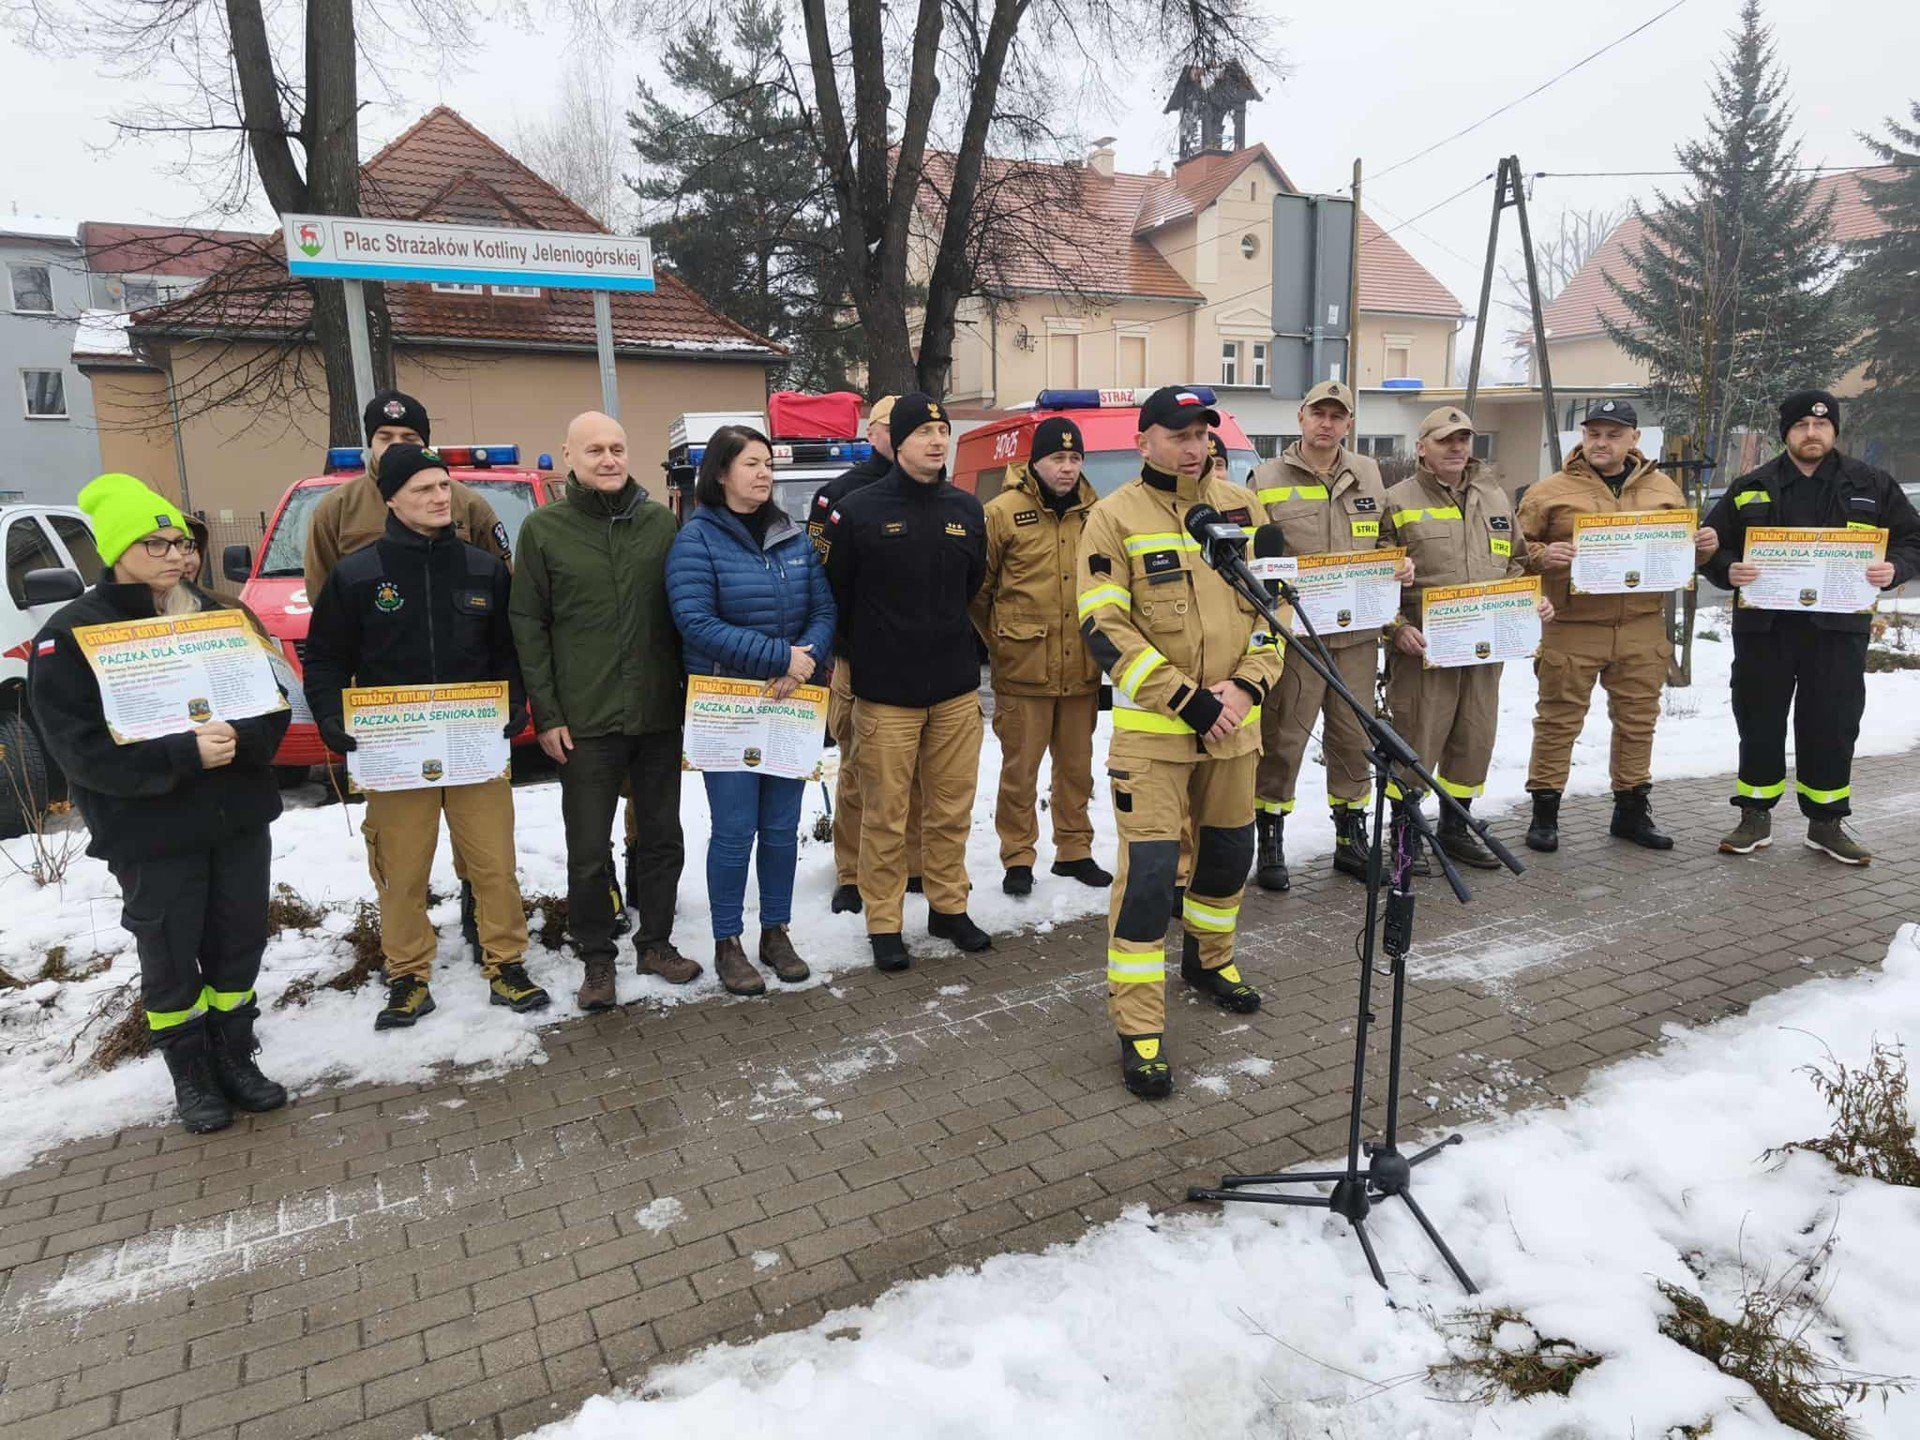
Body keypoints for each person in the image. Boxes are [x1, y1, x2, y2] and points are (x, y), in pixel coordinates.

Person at [29, 473, 291, 1134]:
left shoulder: (225, 614)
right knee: (171, 954)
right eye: (156, 543)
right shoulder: (71, 634)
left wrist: (244, 738)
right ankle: (191, 1073)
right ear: (118, 551)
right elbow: (79, 749)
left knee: (237, 942)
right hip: (150, 830)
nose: (178, 555)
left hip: (236, 818)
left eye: (183, 541)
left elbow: (274, 704)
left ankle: (236, 1056)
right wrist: (182, 756)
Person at [1077, 387, 1283, 1099]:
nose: (1193, 446)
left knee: (1228, 860)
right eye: (1177, 434)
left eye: (1201, 433)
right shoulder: (1112, 518)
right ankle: (1139, 1025)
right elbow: (1104, 628)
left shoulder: (1242, 509)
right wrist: (1186, 699)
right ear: (1144, 442)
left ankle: (1209, 961)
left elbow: (1275, 610)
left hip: (1234, 729)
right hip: (1156, 738)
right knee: (1151, 881)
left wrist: (1248, 687)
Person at [303, 445, 548, 1029]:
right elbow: (327, 659)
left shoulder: (482, 568)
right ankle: (408, 974)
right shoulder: (359, 575)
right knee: (401, 868)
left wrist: (515, 701)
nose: (440, 498)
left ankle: (506, 963)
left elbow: (508, 650)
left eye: (443, 486)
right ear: (390, 499)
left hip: (473, 744)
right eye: (423, 490)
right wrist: (332, 718)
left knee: (493, 863)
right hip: (394, 752)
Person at [509, 412, 694, 1010]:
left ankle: (657, 943)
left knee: (662, 836)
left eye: (617, 447)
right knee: (589, 847)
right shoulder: (543, 530)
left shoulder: (660, 524)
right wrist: (548, 711)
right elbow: (529, 627)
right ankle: (596, 959)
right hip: (584, 719)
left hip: (658, 713)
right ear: (569, 456)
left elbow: (684, 613)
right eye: (595, 450)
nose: (609, 459)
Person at [1701, 388, 1920, 864]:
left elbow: (1912, 540)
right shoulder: (1750, 486)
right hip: (1766, 632)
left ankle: (1826, 823)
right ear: (1787, 433)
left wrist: (1895, 569)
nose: (1812, 433)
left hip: (1837, 632)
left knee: (1832, 724)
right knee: (1758, 719)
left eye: (1821, 425)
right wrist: (1726, 569)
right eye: (1801, 425)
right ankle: (1754, 815)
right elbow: (1713, 547)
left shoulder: (1872, 484)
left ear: (1834, 431)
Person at [821, 393, 991, 970]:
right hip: (885, 693)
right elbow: (836, 594)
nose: (937, 441)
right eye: (923, 432)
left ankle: (948, 907)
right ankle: (885, 921)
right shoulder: (859, 510)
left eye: (943, 430)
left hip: (953, 688)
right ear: (896, 441)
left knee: (949, 808)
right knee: (886, 814)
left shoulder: (966, 510)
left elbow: (973, 585)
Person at [666, 425, 837, 992]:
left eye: (768, 464)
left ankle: (775, 931)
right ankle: (727, 941)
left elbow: (823, 608)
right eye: (751, 464)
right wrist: (780, 658)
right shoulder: (697, 539)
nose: (764, 474)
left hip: (790, 704)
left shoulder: (792, 536)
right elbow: (696, 621)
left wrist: (806, 660)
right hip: (729, 706)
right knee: (736, 831)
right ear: (720, 473)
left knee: (782, 828)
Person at [1518, 400, 1719, 852]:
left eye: (1612, 434)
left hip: (1641, 625)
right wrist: (1540, 556)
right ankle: (1544, 815)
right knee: (1557, 721)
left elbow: (1679, 552)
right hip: (1573, 623)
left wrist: (1703, 546)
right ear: (1583, 438)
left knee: (1638, 721)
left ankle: (1630, 812)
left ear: (1634, 439)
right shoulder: (1548, 491)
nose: (1601, 443)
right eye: (1594, 434)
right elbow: (1514, 549)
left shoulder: (1663, 488)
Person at [1248, 380, 1412, 891]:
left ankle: (1350, 838)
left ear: (1348, 424)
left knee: (1352, 737)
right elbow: (1256, 553)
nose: (1327, 423)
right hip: (1297, 637)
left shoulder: (1367, 472)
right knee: (1285, 737)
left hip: (1357, 635)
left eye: (1337, 416)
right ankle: (1271, 838)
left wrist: (1396, 563)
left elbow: (1386, 536)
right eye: (1318, 413)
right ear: (1301, 416)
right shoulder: (1266, 476)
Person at [1380, 407, 1552, 868]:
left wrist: (1528, 603)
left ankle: (1456, 828)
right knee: (1417, 741)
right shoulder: (1396, 500)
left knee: (1473, 740)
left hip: (1485, 648)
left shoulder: (1494, 497)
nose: (1457, 448)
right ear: (1422, 448)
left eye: (1464, 439)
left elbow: (1516, 564)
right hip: (1426, 651)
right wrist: (1396, 629)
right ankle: (1406, 836)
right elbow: (1377, 578)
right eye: (1444, 440)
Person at [970, 416, 1111, 897]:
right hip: (1023, 669)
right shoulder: (1002, 512)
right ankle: (1018, 856)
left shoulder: (1098, 514)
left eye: (1075, 458)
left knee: (1076, 769)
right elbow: (979, 591)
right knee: (1019, 772)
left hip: (1082, 669)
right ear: (1036, 461)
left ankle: (1074, 851)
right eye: (1057, 458)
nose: (1067, 468)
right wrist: (1004, 640)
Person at [810, 395, 923, 913]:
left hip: (920, 660)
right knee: (857, 770)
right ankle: (852, 872)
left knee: (922, 770)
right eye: (894, 426)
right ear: (875, 432)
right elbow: (822, 579)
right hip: (858, 660)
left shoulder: (934, 491)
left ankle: (916, 865)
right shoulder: (839, 495)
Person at [303, 390, 512, 606]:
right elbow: (322, 591)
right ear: (370, 441)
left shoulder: (466, 503)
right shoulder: (336, 508)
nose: (396, 445)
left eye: (409, 438)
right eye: (385, 437)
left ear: (424, 443)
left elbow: (501, 582)